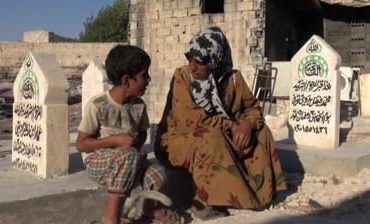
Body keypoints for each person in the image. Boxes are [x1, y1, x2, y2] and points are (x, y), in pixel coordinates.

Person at [155, 27, 287, 219]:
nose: (192, 66)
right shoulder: (182, 77)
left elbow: (253, 110)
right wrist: (230, 126)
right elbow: (189, 120)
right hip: (178, 141)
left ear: (215, 61)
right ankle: (207, 202)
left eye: (199, 62)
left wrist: (246, 126)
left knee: (261, 132)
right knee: (210, 136)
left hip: (223, 137)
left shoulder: (233, 79)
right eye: (190, 59)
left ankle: (258, 194)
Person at [76, 45, 181, 224]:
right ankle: (110, 218)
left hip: (128, 161)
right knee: (128, 156)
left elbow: (141, 134)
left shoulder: (139, 106)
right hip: (99, 163)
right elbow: (81, 144)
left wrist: (136, 144)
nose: (148, 79)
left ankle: (147, 212)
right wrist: (116, 140)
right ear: (126, 80)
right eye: (143, 75)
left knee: (157, 171)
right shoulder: (98, 105)